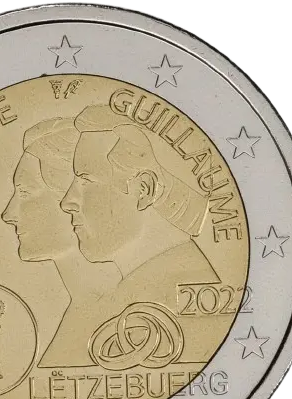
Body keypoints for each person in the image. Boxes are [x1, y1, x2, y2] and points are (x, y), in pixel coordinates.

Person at [60, 105, 221, 368]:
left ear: (144, 190)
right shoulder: (121, 296)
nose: (67, 201)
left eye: (86, 180)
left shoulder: (182, 295)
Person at [1, 118, 120, 367]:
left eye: (25, 192)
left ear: (73, 198)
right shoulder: (84, 308)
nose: (8, 214)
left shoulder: (118, 314)